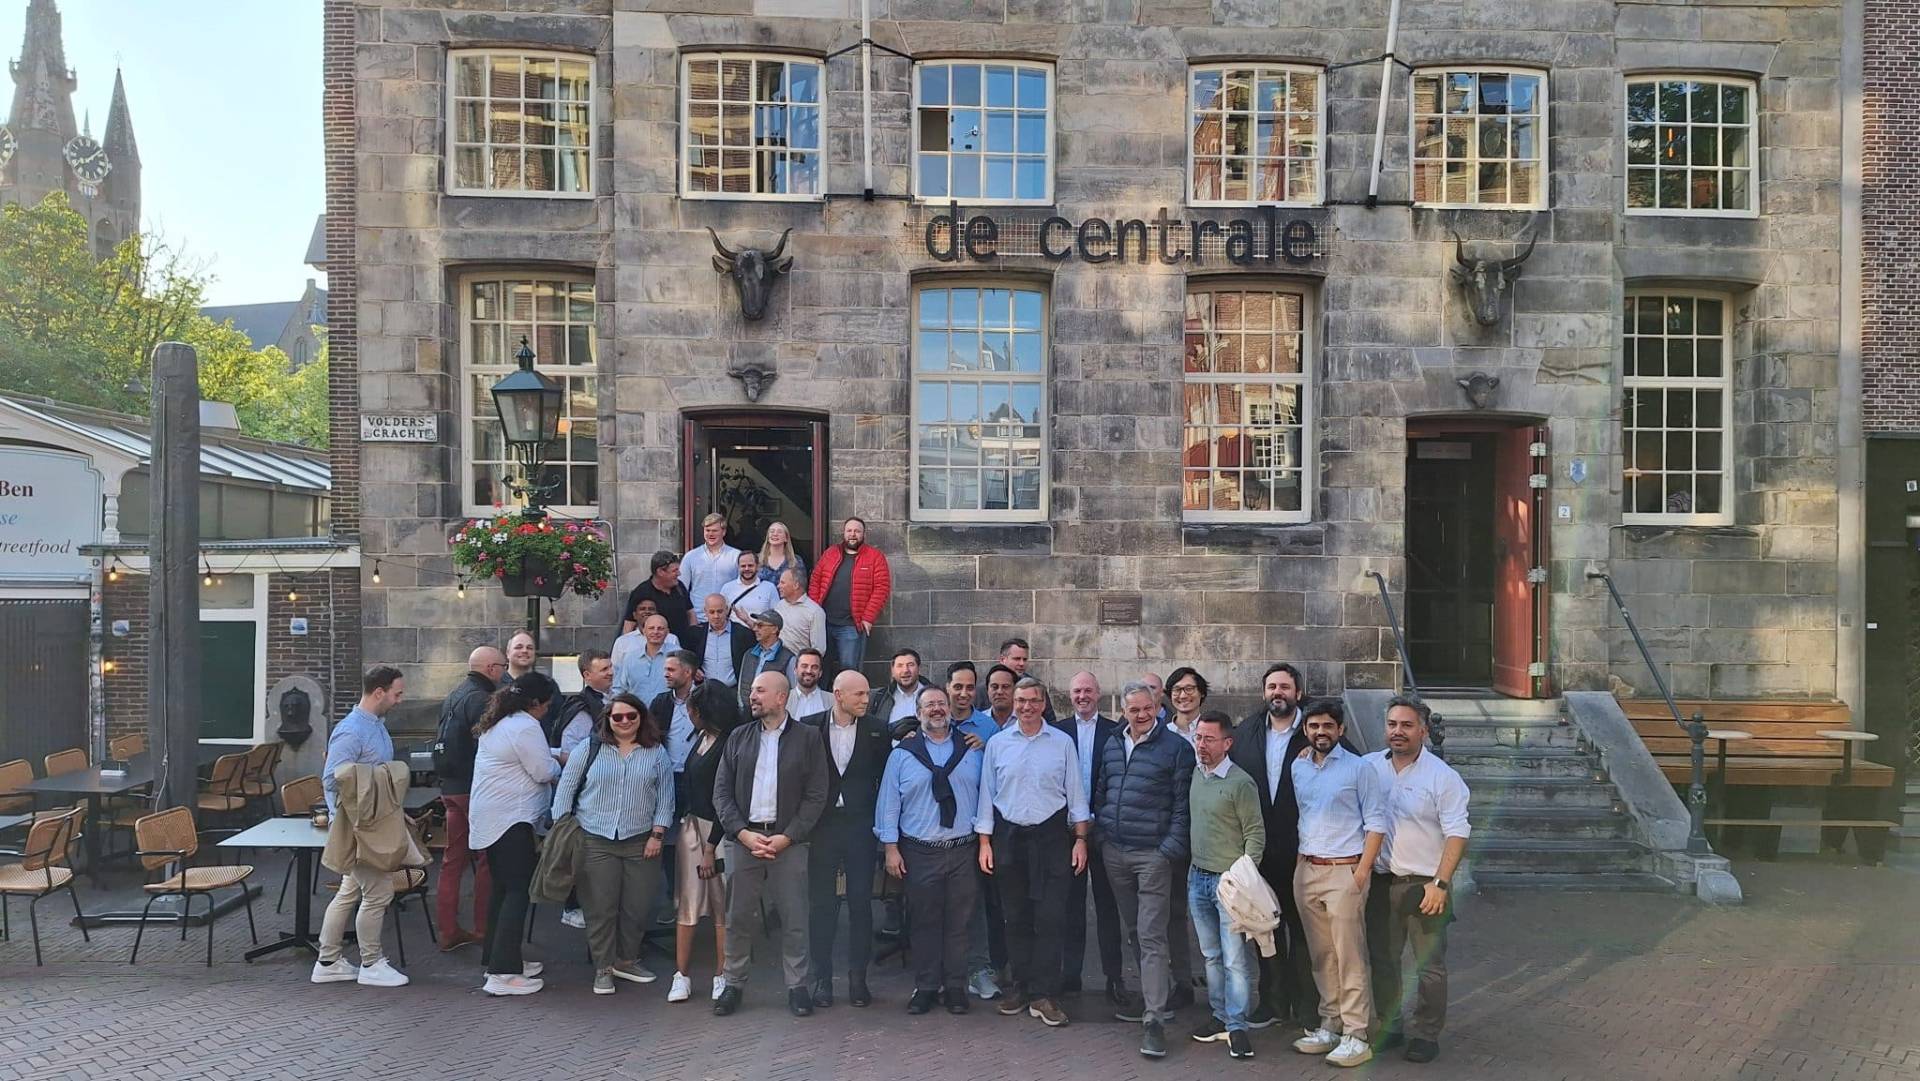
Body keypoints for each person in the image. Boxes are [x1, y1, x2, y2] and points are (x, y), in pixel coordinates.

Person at [711, 670, 830, 1017]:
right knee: (738, 917)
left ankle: (797, 986)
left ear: (782, 697)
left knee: (794, 917)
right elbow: (721, 792)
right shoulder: (738, 736)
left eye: (760, 691)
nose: (753, 696)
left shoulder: (808, 738)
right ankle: (732, 983)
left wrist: (787, 836)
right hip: (744, 840)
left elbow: (816, 794)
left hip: (788, 842)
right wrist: (742, 833)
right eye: (752, 691)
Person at [975, 676, 1088, 1028]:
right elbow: (986, 795)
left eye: (1033, 701)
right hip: (1008, 838)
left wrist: (1081, 839)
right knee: (1016, 916)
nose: (1026, 706)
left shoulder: (1062, 742)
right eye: (1020, 700)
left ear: (1043, 703)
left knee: (1051, 918)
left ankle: (1044, 994)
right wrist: (984, 843)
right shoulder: (997, 743)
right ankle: (1022, 988)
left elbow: (1076, 792)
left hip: (1053, 837)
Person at [1093, 681, 1195, 1057]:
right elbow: (1103, 790)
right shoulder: (1113, 743)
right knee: (1136, 931)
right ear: (1123, 710)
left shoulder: (1176, 748)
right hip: (1116, 853)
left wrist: (1168, 850)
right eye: (1133, 709)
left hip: (1153, 856)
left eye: (1147, 708)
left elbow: (1182, 805)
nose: (1140, 715)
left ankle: (1154, 1018)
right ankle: (1158, 993)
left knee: (1151, 934)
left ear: (1157, 708)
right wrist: (1103, 835)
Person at [1366, 696, 1470, 1064]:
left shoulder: (1443, 778)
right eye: (1392, 724)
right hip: (1381, 882)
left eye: (1407, 725)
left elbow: (1458, 834)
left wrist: (1441, 884)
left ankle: (1426, 1033)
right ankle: (1390, 1026)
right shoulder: (1367, 768)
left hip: (1425, 884)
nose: (1398, 732)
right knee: (1382, 959)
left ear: (1423, 731)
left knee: (1428, 965)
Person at [552, 691, 674, 996]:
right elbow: (566, 788)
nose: (624, 721)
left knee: (637, 906)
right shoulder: (589, 748)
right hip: (595, 839)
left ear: (641, 718)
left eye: (631, 716)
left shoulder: (656, 752)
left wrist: (658, 834)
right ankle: (603, 968)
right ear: (607, 719)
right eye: (617, 716)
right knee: (600, 908)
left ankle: (626, 960)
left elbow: (666, 798)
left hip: (640, 840)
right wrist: (565, 828)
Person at [1289, 698, 1385, 1068]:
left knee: (1350, 955)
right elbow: (1305, 815)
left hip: (1345, 870)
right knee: (1321, 953)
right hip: (1308, 869)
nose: (1321, 732)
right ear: (1306, 730)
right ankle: (1330, 1022)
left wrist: (1360, 874)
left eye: (1328, 726)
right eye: (1314, 727)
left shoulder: (1360, 769)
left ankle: (1357, 1033)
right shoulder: (1300, 767)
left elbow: (1376, 823)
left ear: (1340, 730)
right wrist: (1301, 864)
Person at [877, 685, 983, 1015]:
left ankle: (955, 986)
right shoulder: (902, 755)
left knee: (959, 923)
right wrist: (891, 849)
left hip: (963, 849)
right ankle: (925, 986)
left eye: (941, 703)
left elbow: (986, 798)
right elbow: (889, 804)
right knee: (924, 922)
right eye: (929, 705)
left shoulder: (973, 751)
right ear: (918, 713)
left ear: (950, 709)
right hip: (919, 851)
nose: (936, 709)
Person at [311, 665, 412, 988]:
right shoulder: (352, 731)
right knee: (379, 893)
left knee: (349, 891)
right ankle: (371, 963)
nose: (399, 700)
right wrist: (355, 820)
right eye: (396, 693)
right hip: (362, 828)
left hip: (368, 824)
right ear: (379, 692)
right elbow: (331, 779)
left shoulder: (375, 725)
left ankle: (328, 960)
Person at [1231, 662, 1315, 1031]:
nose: (1277, 692)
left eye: (1284, 686)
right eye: (1271, 687)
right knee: (1263, 930)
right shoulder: (1247, 731)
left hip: (1302, 851)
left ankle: (1307, 1004)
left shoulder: (1317, 730)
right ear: (1263, 692)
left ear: (1298, 692)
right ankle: (1272, 1000)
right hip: (1259, 853)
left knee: (1302, 931)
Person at [799, 669, 889, 1008]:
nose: (866, 700)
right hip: (822, 826)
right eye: (860, 695)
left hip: (860, 827)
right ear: (839, 695)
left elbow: (885, 778)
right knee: (821, 905)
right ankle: (822, 978)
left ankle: (857, 978)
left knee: (861, 903)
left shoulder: (877, 729)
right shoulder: (809, 726)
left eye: (867, 694)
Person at [469, 672, 563, 996]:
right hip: (512, 819)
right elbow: (542, 771)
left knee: (502, 889)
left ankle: (499, 957)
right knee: (517, 891)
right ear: (535, 703)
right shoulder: (524, 725)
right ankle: (502, 973)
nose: (547, 711)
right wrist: (559, 763)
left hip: (492, 818)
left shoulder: (501, 721)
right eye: (547, 706)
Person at [1187, 710, 1266, 1061]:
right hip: (1197, 877)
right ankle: (1218, 1016)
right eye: (1199, 738)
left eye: (1209, 739)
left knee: (1234, 959)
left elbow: (1255, 835)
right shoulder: (1196, 774)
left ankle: (1237, 1026)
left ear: (1227, 743)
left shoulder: (1241, 783)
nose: (1202, 745)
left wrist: (1242, 880)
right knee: (1210, 956)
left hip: (1227, 883)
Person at [671, 680, 739, 1004]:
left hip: (717, 831)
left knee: (720, 905)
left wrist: (712, 845)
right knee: (687, 901)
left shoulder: (727, 744)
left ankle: (721, 973)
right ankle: (681, 974)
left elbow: (726, 799)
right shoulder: (701, 737)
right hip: (692, 828)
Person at [432, 646, 501, 953]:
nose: (502, 672)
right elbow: (492, 744)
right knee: (486, 858)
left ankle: (448, 930)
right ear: (490, 668)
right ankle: (483, 928)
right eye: (500, 666)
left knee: (452, 859)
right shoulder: (481, 698)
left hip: (450, 788)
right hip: (474, 788)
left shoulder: (453, 694)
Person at [1061, 672, 1123, 1004]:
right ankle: (1070, 976)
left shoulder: (1115, 732)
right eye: (1076, 691)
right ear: (1069, 696)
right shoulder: (1057, 731)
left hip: (1104, 832)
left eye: (1087, 690)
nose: (1082, 696)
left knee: (1108, 906)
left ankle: (1114, 978)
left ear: (1098, 693)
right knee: (1070, 906)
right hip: (1067, 833)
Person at [807, 516, 891, 676]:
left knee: (849, 669)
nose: (853, 534)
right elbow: (815, 580)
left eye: (857, 531)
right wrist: (813, 610)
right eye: (849, 531)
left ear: (863, 534)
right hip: (823, 622)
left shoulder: (875, 557)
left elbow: (881, 588)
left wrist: (868, 617)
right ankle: (822, 700)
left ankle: (849, 701)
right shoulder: (830, 553)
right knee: (819, 667)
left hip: (851, 625)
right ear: (843, 533)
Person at [684, 593, 750, 688]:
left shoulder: (742, 633)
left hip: (733, 691)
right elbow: (685, 657)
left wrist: (748, 621)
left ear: (727, 610)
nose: (716, 616)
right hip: (704, 691)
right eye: (712, 612)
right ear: (705, 612)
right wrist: (692, 668)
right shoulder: (696, 633)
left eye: (720, 611)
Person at [623, 550, 694, 637]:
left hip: (681, 647)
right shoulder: (641, 592)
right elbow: (629, 624)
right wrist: (625, 645)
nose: (679, 574)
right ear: (660, 572)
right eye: (674, 571)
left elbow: (690, 613)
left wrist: (694, 636)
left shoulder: (680, 587)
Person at [556, 649, 613, 756]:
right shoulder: (581, 707)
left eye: (611, 666)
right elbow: (570, 751)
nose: (611, 672)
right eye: (604, 669)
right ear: (587, 675)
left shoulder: (618, 697)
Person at [612, 614, 674, 703]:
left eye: (660, 628)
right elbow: (619, 689)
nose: (656, 632)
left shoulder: (677, 655)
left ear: (667, 632)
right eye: (651, 628)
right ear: (644, 631)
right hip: (637, 714)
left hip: (668, 713)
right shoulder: (630, 658)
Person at [682, 513, 743, 605]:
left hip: (727, 614)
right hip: (698, 614)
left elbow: (742, 586)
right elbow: (682, 588)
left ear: (724, 532)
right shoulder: (691, 556)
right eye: (707, 530)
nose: (710, 534)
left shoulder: (736, 556)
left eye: (714, 531)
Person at [868, 648, 933, 733]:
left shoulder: (935, 695)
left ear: (919, 668)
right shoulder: (879, 697)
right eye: (900, 665)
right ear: (892, 671)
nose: (905, 670)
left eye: (910, 665)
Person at [739, 610, 796, 705]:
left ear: (774, 629)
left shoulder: (789, 658)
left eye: (760, 625)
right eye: (756, 625)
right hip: (747, 713)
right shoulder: (748, 654)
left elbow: (794, 692)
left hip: (773, 714)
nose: (755, 629)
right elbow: (741, 686)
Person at [996, 638, 1055, 722]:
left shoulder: (1037, 687)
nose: (1021, 664)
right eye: (1017, 659)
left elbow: (1050, 721)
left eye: (1024, 659)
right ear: (1002, 660)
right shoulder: (985, 689)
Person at [772, 566, 827, 654]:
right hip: (776, 661)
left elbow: (819, 649)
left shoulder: (815, 612)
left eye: (782, 583)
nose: (778, 586)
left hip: (799, 663)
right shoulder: (779, 605)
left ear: (796, 585)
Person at [724, 551, 777, 628]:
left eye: (750, 565)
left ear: (758, 566)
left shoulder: (769, 587)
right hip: (735, 637)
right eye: (743, 566)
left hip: (760, 636)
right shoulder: (727, 588)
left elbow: (775, 618)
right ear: (738, 567)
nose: (747, 569)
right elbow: (722, 615)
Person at [1165, 667, 1210, 746]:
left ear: (1202, 693)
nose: (1183, 696)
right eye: (1177, 690)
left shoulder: (1213, 732)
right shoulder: (1163, 732)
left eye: (1189, 689)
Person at [787, 649, 831, 718]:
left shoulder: (832, 701)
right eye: (804, 666)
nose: (809, 671)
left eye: (814, 667)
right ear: (795, 670)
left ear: (820, 673)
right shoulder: (785, 700)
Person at [759, 520, 806, 586]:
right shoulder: (757, 560)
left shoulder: (796, 561)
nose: (775, 534)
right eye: (772, 531)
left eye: (779, 532)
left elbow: (801, 586)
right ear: (767, 537)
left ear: (786, 538)